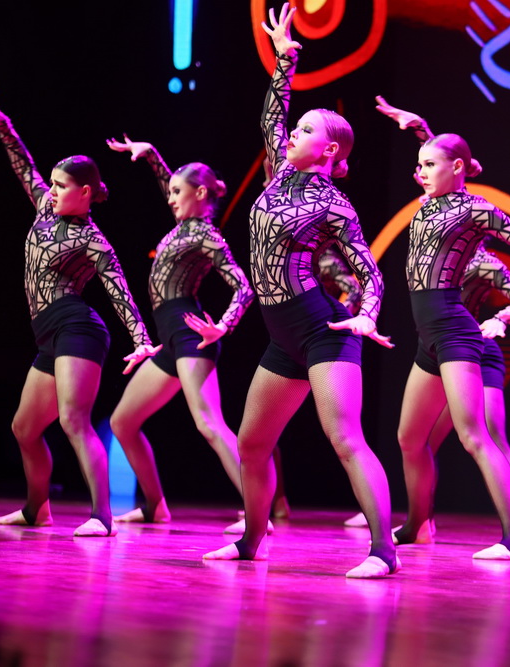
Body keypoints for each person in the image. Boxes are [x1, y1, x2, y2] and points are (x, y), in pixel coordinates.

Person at [203, 4, 397, 578]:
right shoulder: (279, 173)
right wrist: (285, 60)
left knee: (345, 438)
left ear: (331, 150)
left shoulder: (334, 204)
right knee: (251, 444)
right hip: (281, 335)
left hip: (321, 329)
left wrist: (367, 314)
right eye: (298, 126)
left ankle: (383, 552)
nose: (293, 133)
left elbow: (370, 272)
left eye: (307, 129)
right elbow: (272, 116)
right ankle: (251, 543)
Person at [376, 97, 510, 559]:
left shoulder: (475, 209)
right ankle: (418, 525)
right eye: (418, 165)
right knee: (409, 439)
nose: (420, 172)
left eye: (429, 166)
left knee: (475, 436)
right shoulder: (430, 200)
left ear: (457, 168)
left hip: (455, 331)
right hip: (429, 338)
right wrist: (421, 128)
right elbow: (442, 154)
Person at [0, 84, 159, 538]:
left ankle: (102, 516)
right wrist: (4, 126)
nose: (52, 190)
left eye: (62, 186)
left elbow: (120, 291)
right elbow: (24, 167)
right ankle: (35, 509)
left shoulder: (93, 241)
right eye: (53, 184)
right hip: (48, 334)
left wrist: (141, 341)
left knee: (72, 419)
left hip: (77, 328)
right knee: (24, 428)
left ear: (85, 192)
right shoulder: (45, 207)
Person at [103, 135, 254, 525]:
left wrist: (224, 326)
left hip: (190, 336)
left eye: (177, 192)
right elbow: (169, 183)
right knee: (123, 422)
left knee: (209, 424)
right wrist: (151, 154)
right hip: (170, 341)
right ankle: (155, 505)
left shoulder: (204, 234)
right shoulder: (185, 225)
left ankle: (257, 511)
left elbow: (244, 287)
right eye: (169, 191)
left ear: (200, 194)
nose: (170, 198)